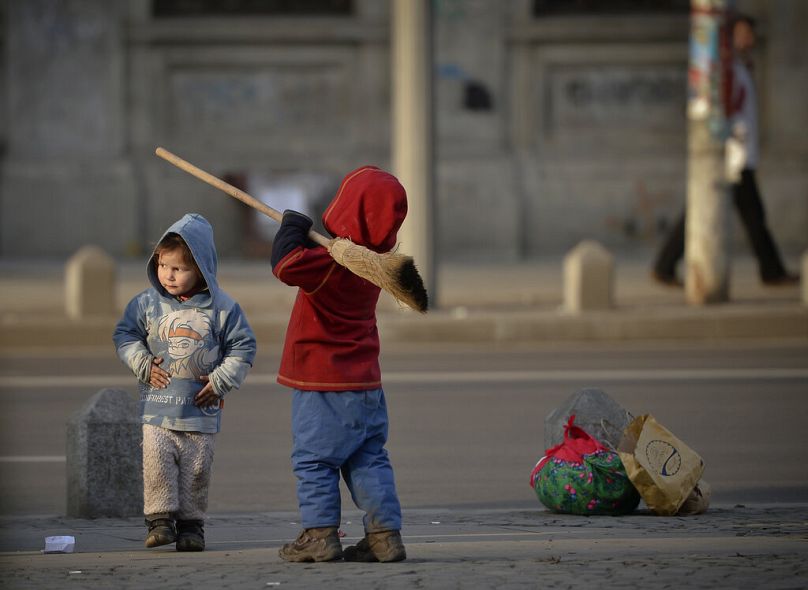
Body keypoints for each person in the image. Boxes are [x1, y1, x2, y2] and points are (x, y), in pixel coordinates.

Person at [271, 166, 408, 563]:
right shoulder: (374, 267)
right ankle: (385, 535)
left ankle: (319, 534)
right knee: (368, 457)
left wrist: (293, 225)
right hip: (366, 384)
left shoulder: (331, 264)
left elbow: (284, 265)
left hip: (322, 382)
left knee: (314, 459)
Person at [113, 213, 256, 551]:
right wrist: (142, 362)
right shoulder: (146, 303)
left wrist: (221, 380)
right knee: (156, 464)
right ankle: (160, 521)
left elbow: (243, 346)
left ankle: (192, 527)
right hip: (157, 410)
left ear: (202, 269)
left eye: (179, 268)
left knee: (196, 471)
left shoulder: (223, 308)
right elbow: (125, 335)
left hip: (200, 413)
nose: (169, 275)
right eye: (163, 265)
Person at [652, 14, 799, 287]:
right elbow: (720, 112)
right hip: (733, 158)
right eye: (743, 34)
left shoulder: (741, 68)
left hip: (739, 156)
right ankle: (772, 271)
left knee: (732, 215)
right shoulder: (725, 70)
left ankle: (665, 265)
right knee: (751, 217)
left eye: (750, 35)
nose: (749, 40)